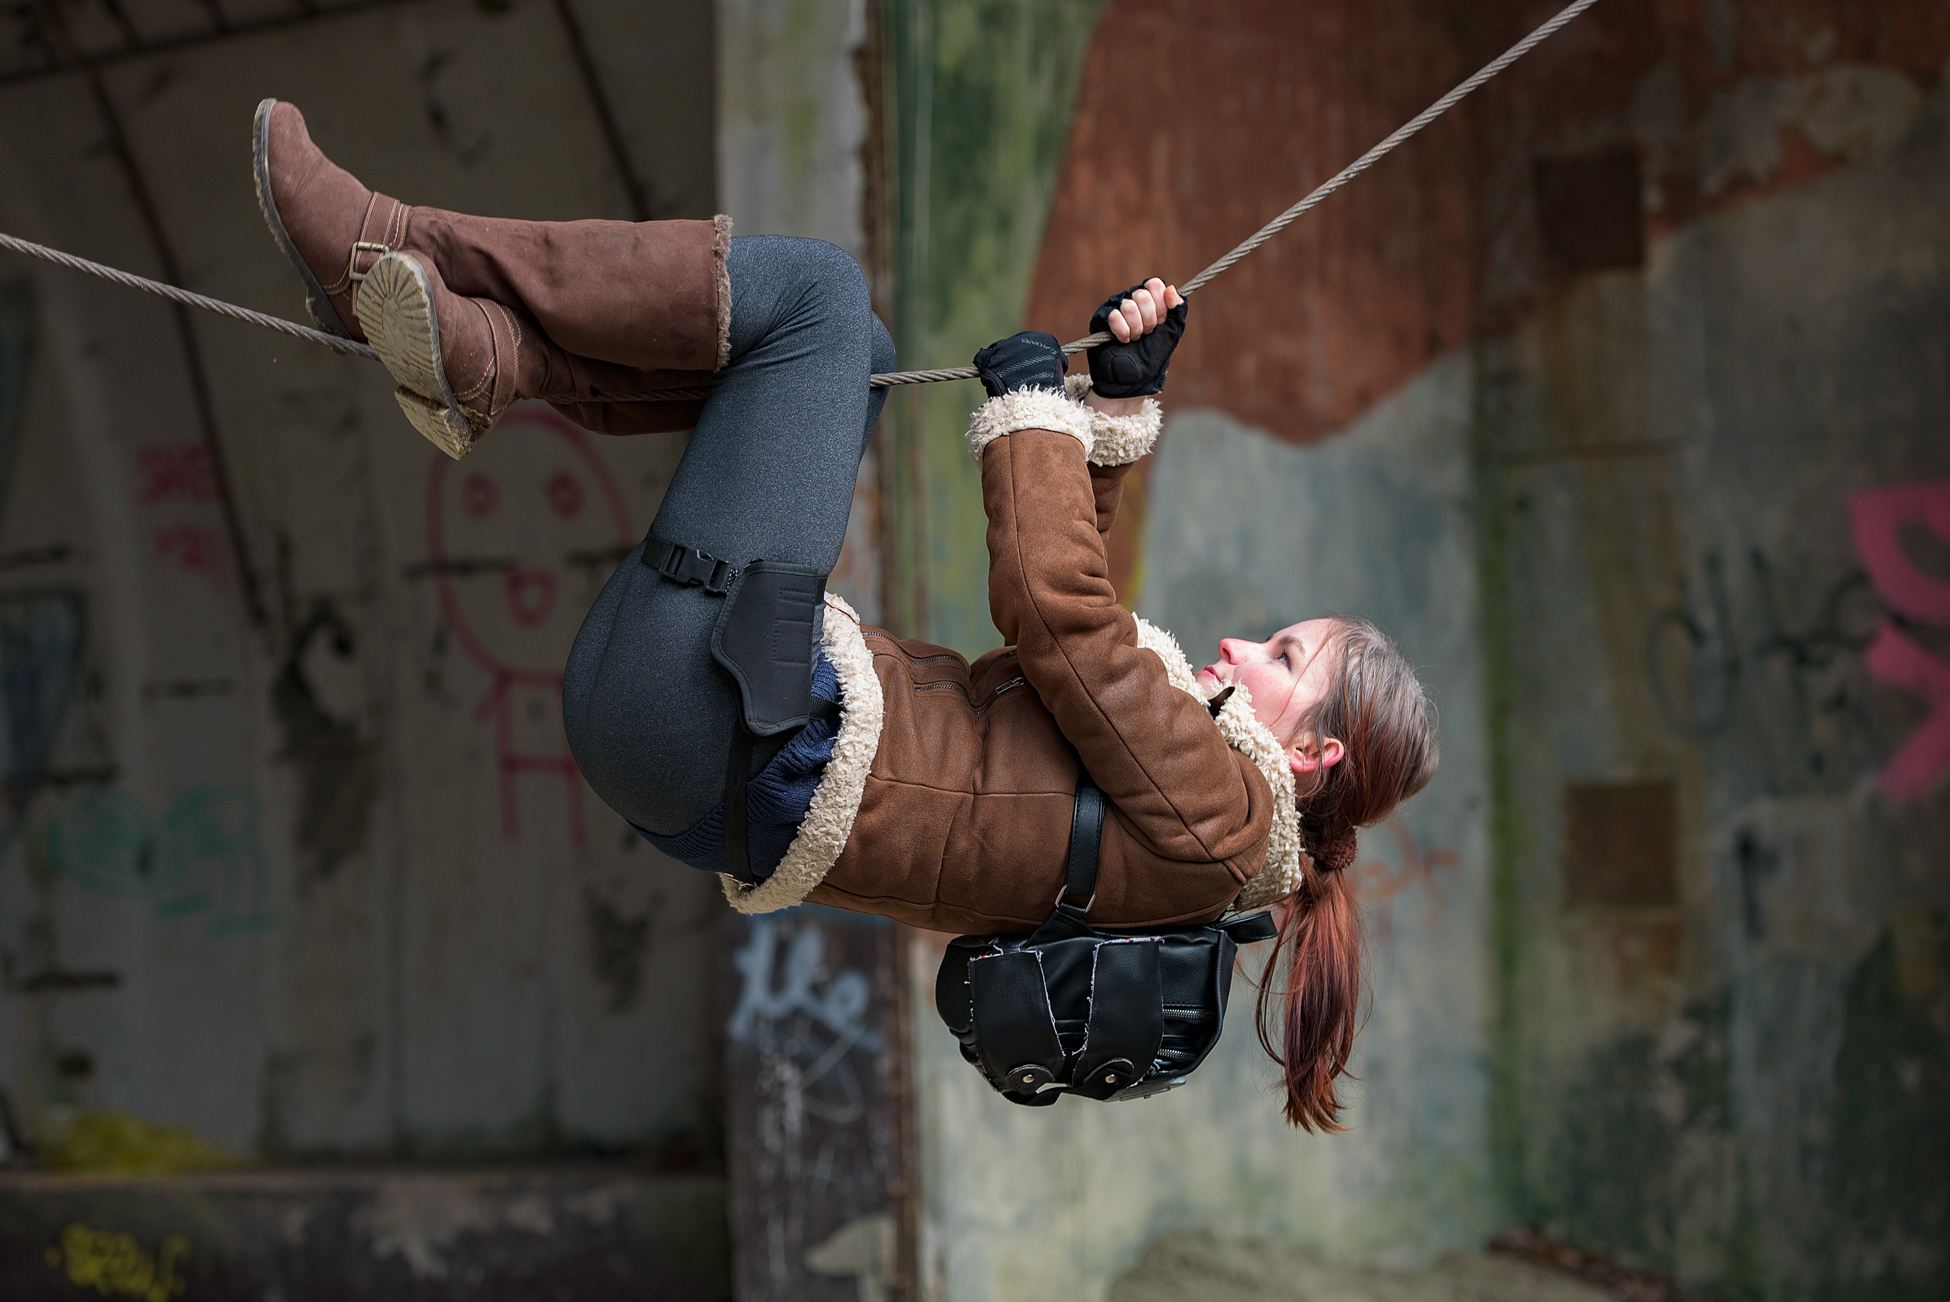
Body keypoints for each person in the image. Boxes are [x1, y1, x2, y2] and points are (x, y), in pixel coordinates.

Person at [252, 100, 1438, 1129]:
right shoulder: (1204, 829)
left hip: (720, 720)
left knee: (820, 295)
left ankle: (384, 242)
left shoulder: (1227, 815)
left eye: (1285, 655)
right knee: (853, 352)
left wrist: (1033, 414)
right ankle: (486, 353)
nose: (1243, 646)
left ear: (1316, 751)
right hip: (691, 745)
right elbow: (1081, 669)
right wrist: (1117, 409)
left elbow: (1060, 614)